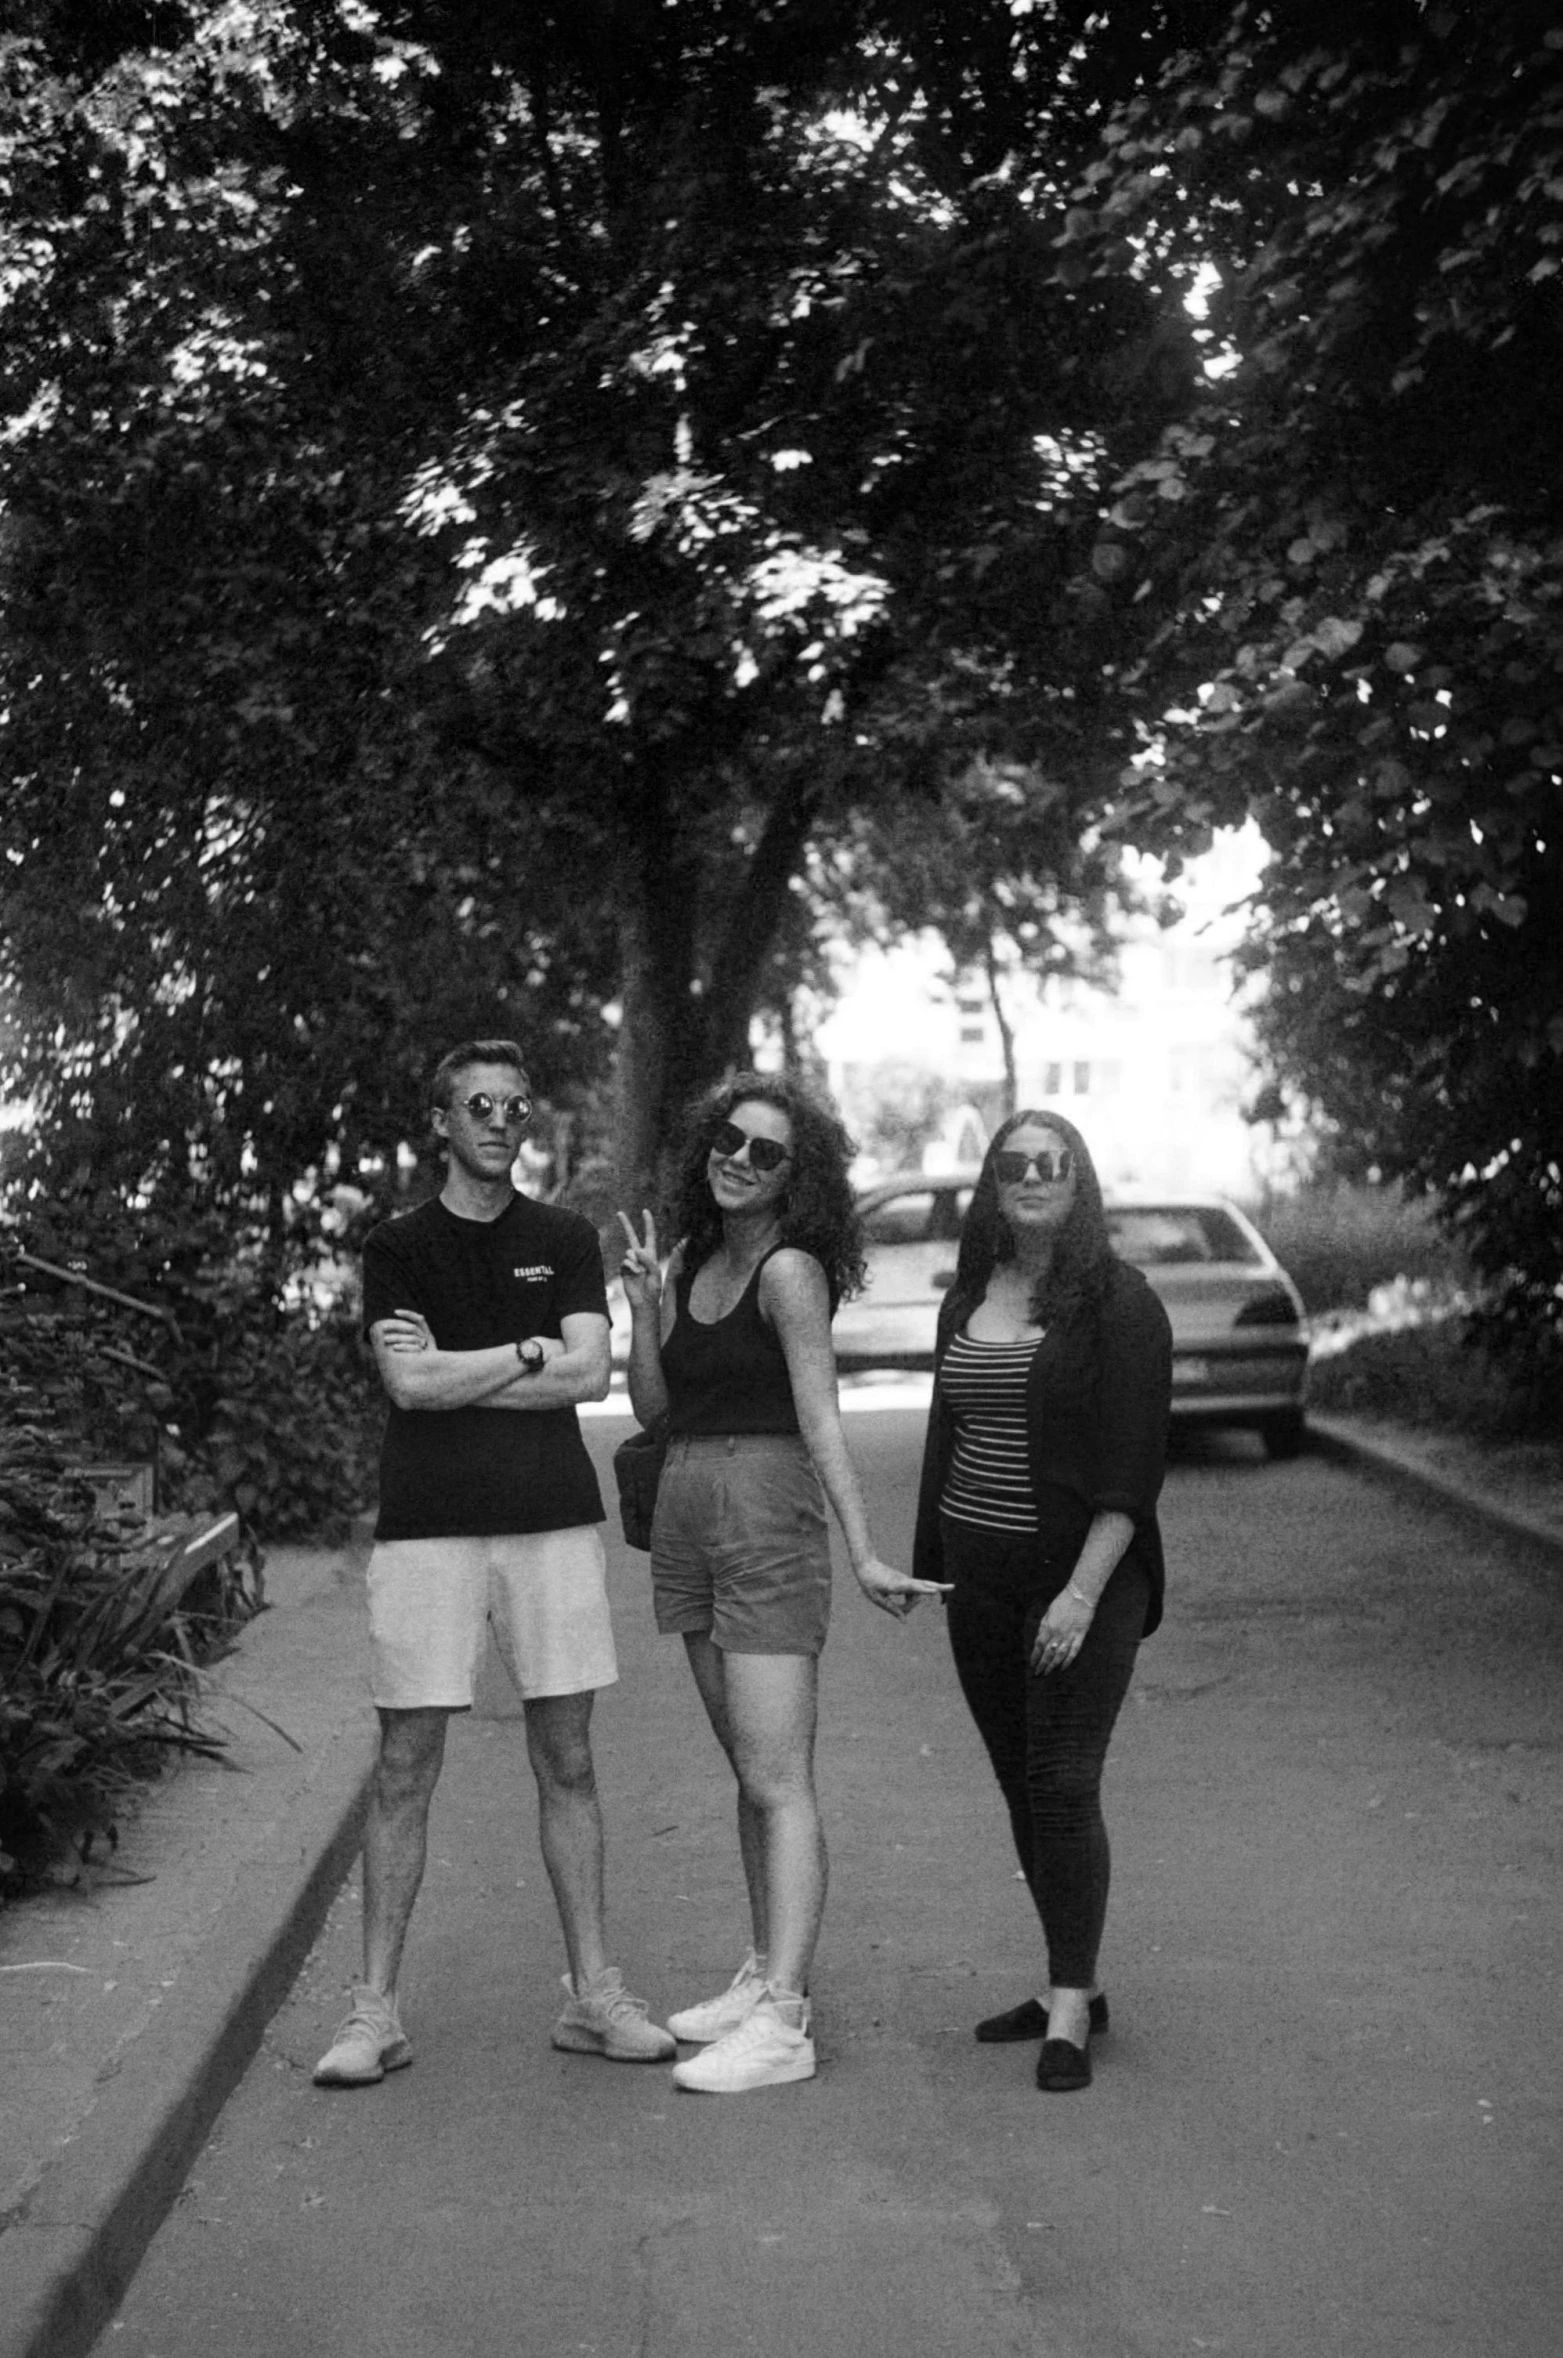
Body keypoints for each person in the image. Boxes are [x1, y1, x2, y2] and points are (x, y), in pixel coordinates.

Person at [314, 1038, 674, 2088]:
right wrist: (525, 1353)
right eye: (478, 1102)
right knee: (403, 1767)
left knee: (569, 1759)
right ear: (440, 1119)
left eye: (515, 1106)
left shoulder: (563, 1238)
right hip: (427, 1529)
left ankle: (595, 1997)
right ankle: (373, 2014)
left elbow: (588, 1375)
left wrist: (481, 1367)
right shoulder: (399, 1245)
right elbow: (410, 1390)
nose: (499, 1120)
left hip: (550, 1522)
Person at [617, 1072, 947, 2095]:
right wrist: (645, 1311)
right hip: (687, 1506)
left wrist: (863, 1550)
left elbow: (821, 1420)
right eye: (730, 1140)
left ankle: (787, 2021)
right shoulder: (704, 1259)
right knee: (746, 1774)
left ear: (796, 1181)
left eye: (767, 1153)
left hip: (764, 1515)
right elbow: (657, 1403)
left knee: (777, 1777)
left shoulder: (791, 1273)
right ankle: (764, 1971)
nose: (739, 1160)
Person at [911, 1110, 1172, 2093]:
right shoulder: (967, 1297)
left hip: (1083, 1584)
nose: (1031, 1177)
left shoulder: (1120, 1304)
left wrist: (1079, 1596)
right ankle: (1077, 1976)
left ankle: (1071, 2007)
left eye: (1051, 1164)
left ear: (1080, 1181)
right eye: (1013, 1164)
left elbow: (1131, 1470)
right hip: (981, 1585)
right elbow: (949, 1435)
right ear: (992, 1182)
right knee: (1023, 1784)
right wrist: (932, 1566)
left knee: (1064, 1784)